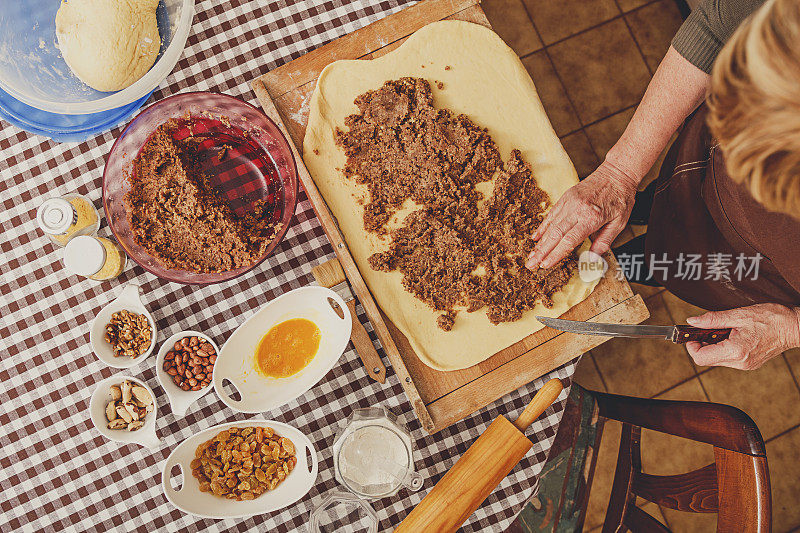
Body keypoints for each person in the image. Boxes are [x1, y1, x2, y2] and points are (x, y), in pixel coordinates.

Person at [526, 0, 800, 370]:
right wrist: (620, 174)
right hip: (705, 174)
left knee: (671, 263)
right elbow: (715, 28)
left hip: (757, 267)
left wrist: (792, 328)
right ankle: (646, 208)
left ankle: (635, 264)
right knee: (667, 201)